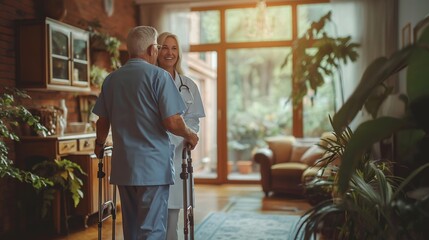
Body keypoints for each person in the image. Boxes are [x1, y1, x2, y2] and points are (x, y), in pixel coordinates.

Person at [92, 26, 199, 240]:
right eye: (159, 47)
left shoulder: (111, 79)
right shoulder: (159, 76)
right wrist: (191, 135)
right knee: (152, 230)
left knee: (131, 228)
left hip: (124, 167)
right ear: (152, 49)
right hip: (152, 167)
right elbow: (173, 121)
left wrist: (99, 144)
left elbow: (102, 122)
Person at [157, 32, 206, 240]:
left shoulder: (189, 85)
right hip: (154, 154)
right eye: (164, 47)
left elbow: (194, 122)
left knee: (172, 218)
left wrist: (178, 137)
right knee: (152, 218)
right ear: (156, 51)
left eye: (174, 48)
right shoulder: (150, 81)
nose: (169, 53)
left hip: (178, 158)